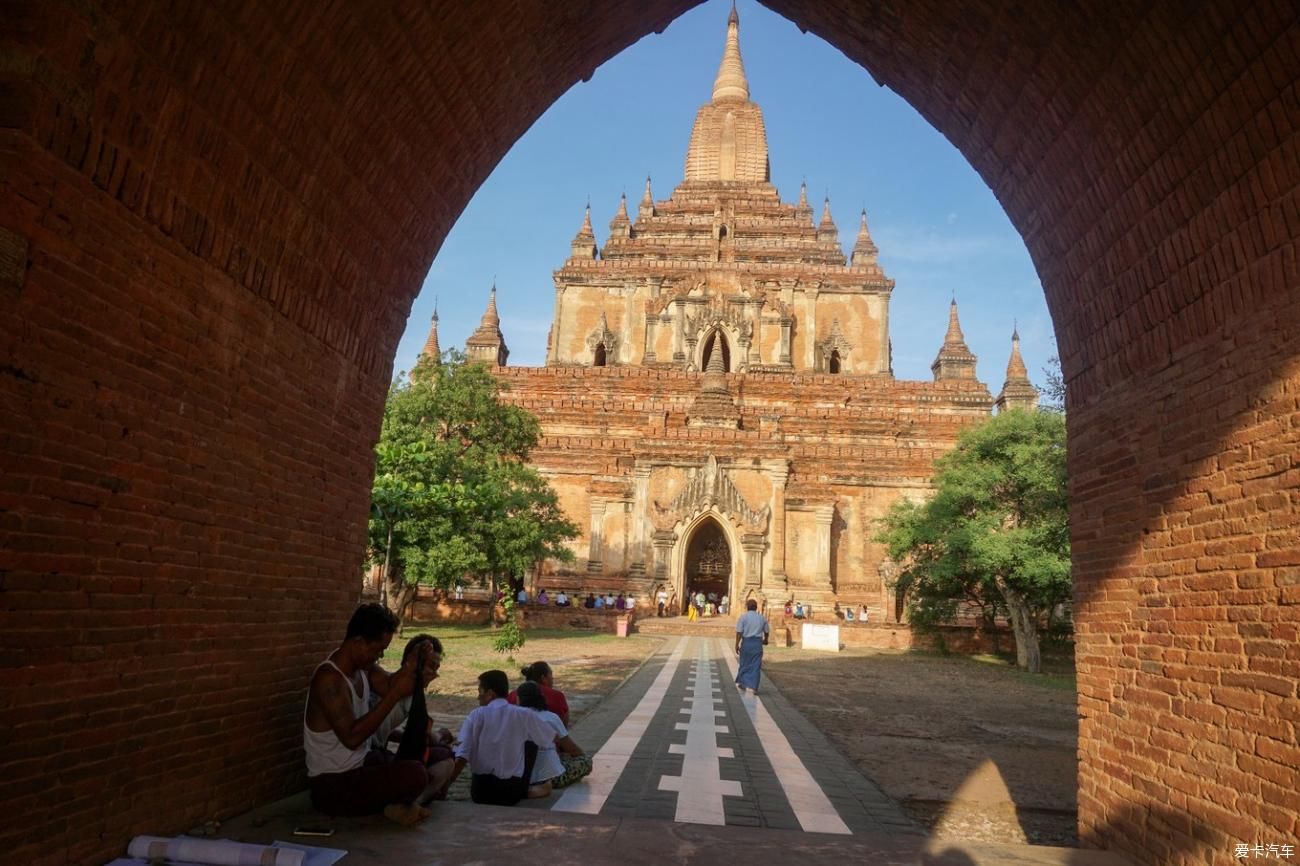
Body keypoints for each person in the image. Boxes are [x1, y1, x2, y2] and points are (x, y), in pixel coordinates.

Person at [303, 603, 453, 826]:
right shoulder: (330, 680)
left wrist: (413, 664)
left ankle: (399, 804)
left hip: (363, 764)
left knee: (436, 757)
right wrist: (393, 695)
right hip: (334, 785)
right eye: (377, 649)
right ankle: (399, 805)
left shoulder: (364, 669)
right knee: (415, 774)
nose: (380, 655)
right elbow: (352, 738)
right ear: (358, 642)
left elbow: (392, 683)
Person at [449, 670, 558, 806]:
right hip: (512, 792)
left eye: (480, 691)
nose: (478, 697)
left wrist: (445, 786)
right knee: (531, 742)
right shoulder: (523, 714)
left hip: (480, 792)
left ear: (490, 694)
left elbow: (462, 756)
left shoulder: (476, 715)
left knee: (463, 744)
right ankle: (527, 788)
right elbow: (549, 738)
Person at [370, 634, 455, 767]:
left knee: (444, 754)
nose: (434, 674)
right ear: (410, 662)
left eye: (436, 668)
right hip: (367, 755)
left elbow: (384, 728)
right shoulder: (387, 685)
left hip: (376, 751)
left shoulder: (409, 695)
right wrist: (441, 733)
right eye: (430, 666)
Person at [515, 682, 592, 797]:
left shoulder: (514, 719)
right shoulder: (550, 717)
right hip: (552, 776)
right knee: (585, 761)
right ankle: (542, 787)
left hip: (522, 775)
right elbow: (572, 749)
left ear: (518, 699)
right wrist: (582, 757)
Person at [506, 660, 570, 726]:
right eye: (551, 674)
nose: (552, 678)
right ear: (543, 678)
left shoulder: (512, 695)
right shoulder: (557, 696)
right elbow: (564, 724)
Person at [734, 599, 770, 695]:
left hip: (746, 643)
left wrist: (737, 644)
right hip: (757, 644)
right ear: (756, 607)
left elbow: (739, 632)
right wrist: (766, 640)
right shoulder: (762, 618)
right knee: (756, 665)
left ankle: (742, 682)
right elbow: (766, 631)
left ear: (747, 607)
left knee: (744, 663)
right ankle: (754, 687)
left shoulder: (743, 618)